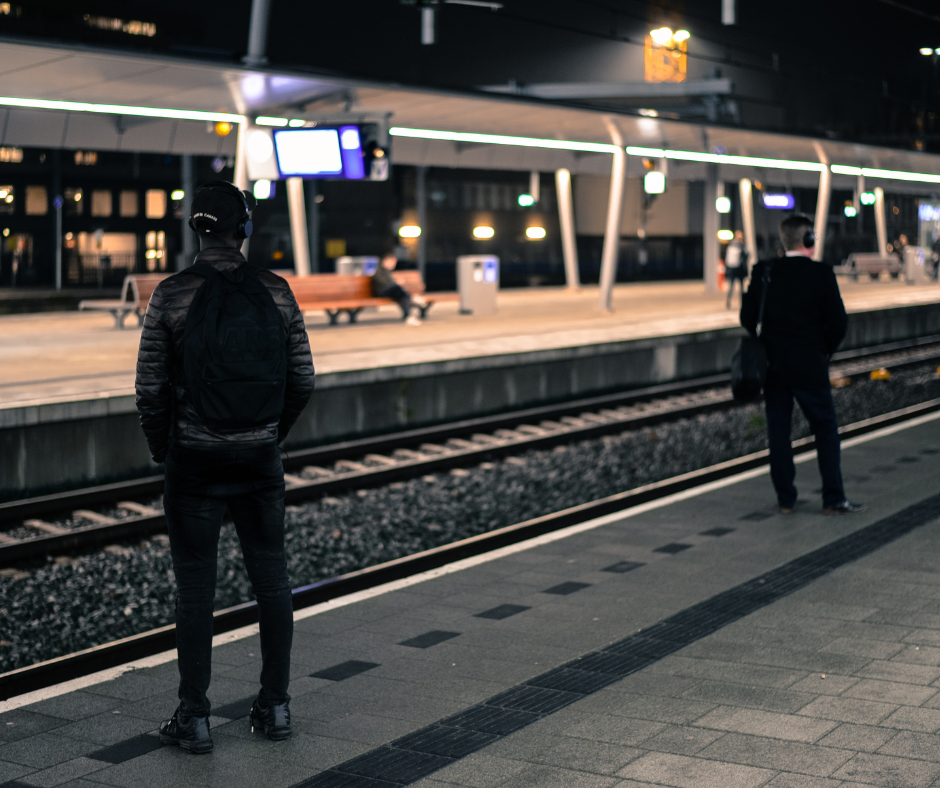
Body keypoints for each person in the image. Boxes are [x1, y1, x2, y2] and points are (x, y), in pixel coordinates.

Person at [135, 181, 315, 754]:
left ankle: (195, 718)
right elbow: (303, 379)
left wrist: (166, 448)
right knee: (272, 581)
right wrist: (269, 434)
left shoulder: (172, 294)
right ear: (244, 230)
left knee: (195, 590)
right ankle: (276, 706)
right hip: (259, 458)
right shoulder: (277, 292)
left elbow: (149, 389)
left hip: (194, 459)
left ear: (197, 229)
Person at [741, 214, 865, 516]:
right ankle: (833, 499)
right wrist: (822, 351)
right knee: (824, 428)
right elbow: (838, 323)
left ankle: (786, 500)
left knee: (779, 434)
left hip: (773, 367)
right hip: (810, 365)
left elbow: (747, 317)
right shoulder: (821, 273)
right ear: (808, 240)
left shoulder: (764, 271)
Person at [371, 253, 427, 326]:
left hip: (392, 292)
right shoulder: (379, 271)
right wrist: (396, 282)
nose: (394, 265)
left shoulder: (387, 271)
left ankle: (408, 317)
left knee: (404, 297)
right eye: (392, 262)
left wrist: (396, 283)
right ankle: (412, 298)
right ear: (386, 261)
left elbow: (390, 283)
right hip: (382, 293)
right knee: (398, 288)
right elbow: (384, 284)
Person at [724, 230, 749, 310]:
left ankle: (728, 300)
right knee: (741, 287)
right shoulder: (741, 245)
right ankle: (742, 302)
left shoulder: (731, 244)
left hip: (731, 268)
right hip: (739, 268)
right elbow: (747, 255)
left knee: (731, 286)